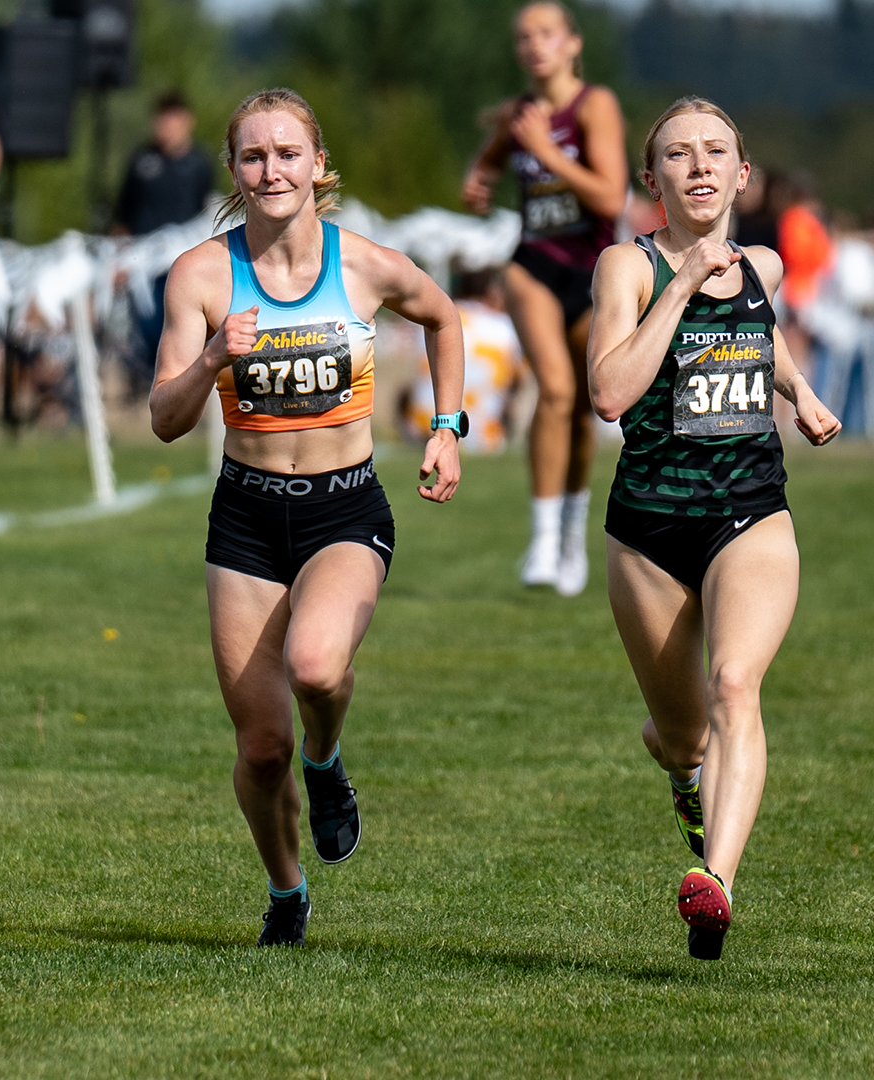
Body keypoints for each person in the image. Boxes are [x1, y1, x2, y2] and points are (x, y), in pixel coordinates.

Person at [148, 88, 466, 948]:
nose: (272, 170)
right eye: (254, 156)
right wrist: (214, 354)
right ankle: (286, 893)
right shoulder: (200, 275)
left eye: (288, 153)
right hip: (245, 520)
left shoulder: (362, 264)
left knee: (318, 669)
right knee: (258, 748)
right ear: (234, 171)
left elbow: (443, 316)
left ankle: (327, 767)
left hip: (344, 507)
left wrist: (447, 426)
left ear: (318, 165)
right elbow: (165, 416)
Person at [587, 97, 841, 960]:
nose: (698, 166)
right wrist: (686, 279)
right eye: (678, 155)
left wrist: (798, 390)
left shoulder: (765, 263)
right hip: (648, 529)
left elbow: (760, 340)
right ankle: (684, 772)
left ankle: (715, 883)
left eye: (715, 152)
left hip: (749, 511)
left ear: (742, 174)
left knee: (737, 684)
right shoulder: (626, 269)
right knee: (683, 733)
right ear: (651, 180)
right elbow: (610, 392)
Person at [461, 1, 626, 597]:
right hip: (533, 266)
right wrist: (479, 180)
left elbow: (610, 199)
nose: (535, 45)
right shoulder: (520, 113)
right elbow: (488, 163)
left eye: (547, 34)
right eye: (524, 37)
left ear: (573, 44)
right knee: (553, 389)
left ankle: (569, 534)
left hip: (591, 271)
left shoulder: (595, 106)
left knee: (586, 411)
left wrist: (549, 154)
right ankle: (538, 538)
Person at [113, 91, 214, 400]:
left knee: (182, 324)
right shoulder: (142, 161)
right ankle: (154, 387)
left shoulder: (200, 164)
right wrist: (118, 259)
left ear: (187, 122)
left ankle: (183, 387)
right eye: (162, 120)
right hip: (143, 263)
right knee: (146, 326)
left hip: (182, 261)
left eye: (174, 120)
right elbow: (123, 213)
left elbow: (209, 214)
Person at [404, 267, 522, 454]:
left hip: (424, 430)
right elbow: (516, 382)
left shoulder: (429, 322)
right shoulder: (503, 327)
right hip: (484, 437)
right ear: (491, 293)